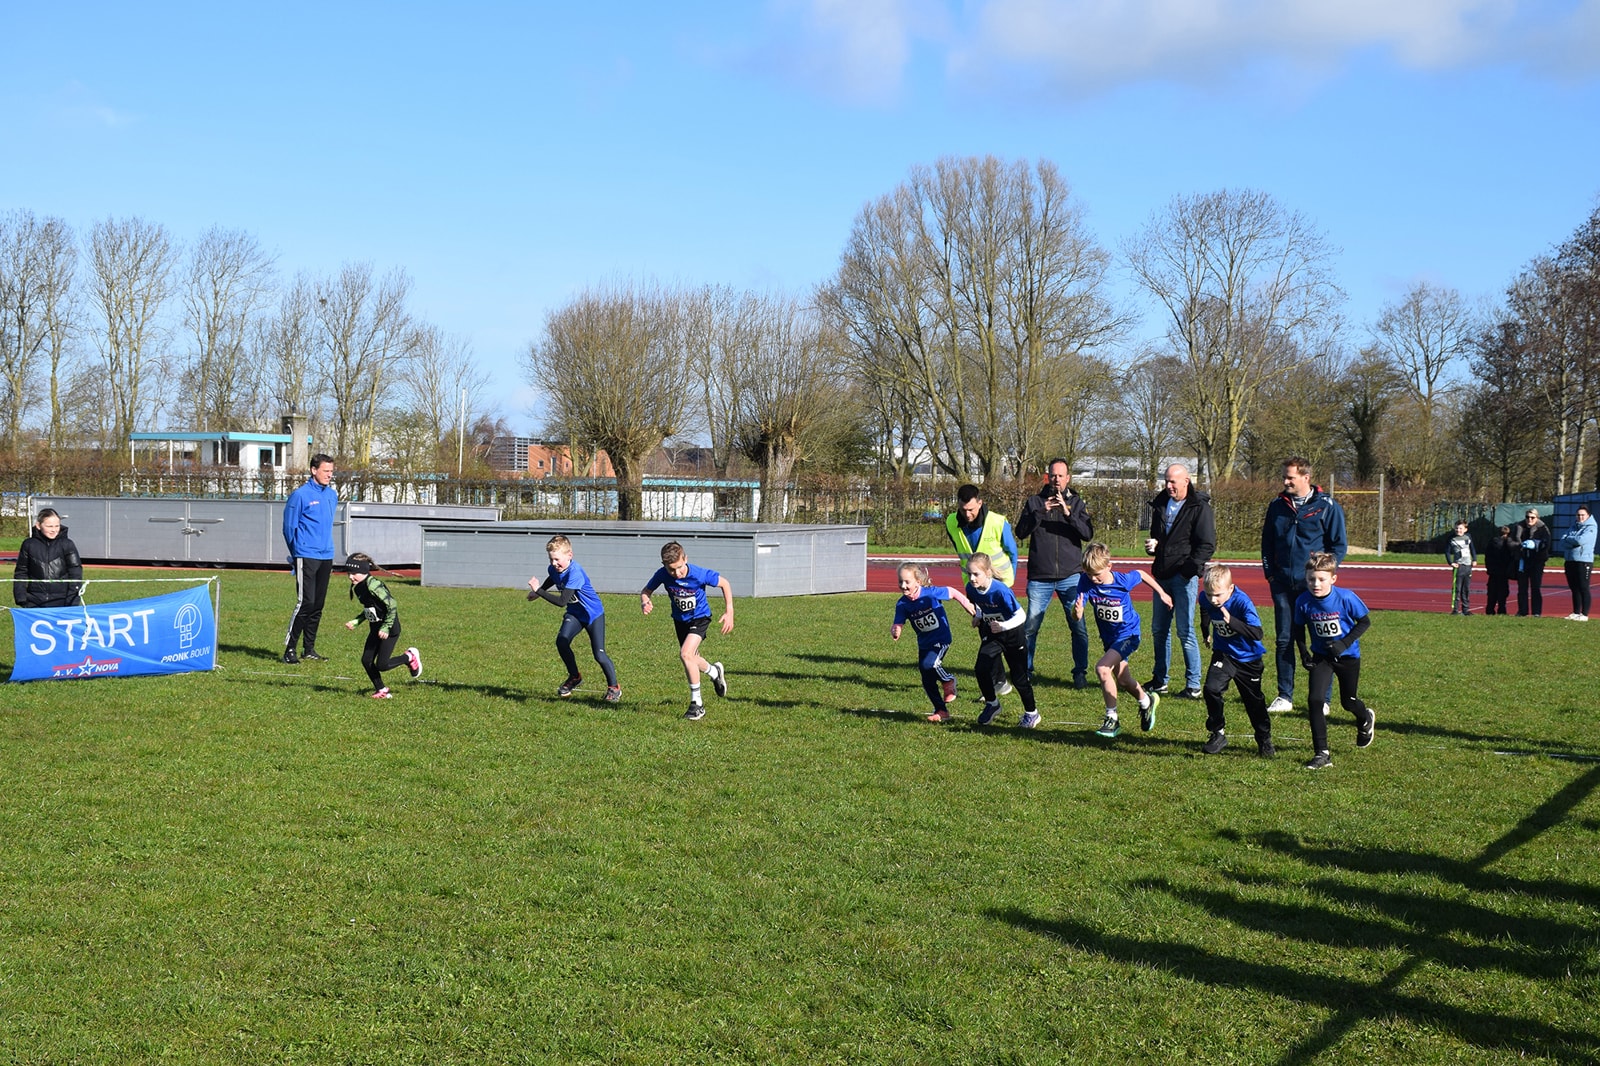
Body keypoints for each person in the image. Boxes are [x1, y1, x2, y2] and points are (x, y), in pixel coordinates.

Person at [1260, 456, 1347, 713]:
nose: (1285, 481)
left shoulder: (1327, 506)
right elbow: (1267, 544)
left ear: (1305, 478)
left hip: (1314, 588)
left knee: (1322, 640)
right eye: (1284, 477)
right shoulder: (1276, 506)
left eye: (1290, 477)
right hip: (1282, 585)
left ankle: (1323, 700)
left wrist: (1323, 575)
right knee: (1284, 640)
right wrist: (1271, 575)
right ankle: (1284, 696)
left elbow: (1338, 546)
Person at [1073, 542, 1172, 740]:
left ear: (1109, 566)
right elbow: (1076, 614)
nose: (1093, 579)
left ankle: (1112, 718)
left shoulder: (1122, 581)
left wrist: (1162, 593)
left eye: (1097, 574)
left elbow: (1141, 574)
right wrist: (1077, 612)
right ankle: (1147, 702)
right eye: (1089, 574)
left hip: (1129, 634)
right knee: (1124, 680)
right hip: (1109, 638)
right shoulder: (1085, 581)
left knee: (1102, 669)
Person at [1015, 458, 1094, 687]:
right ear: (1047, 477)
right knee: (1030, 627)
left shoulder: (1077, 503)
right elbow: (1021, 532)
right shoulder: (1034, 502)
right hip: (1040, 576)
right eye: (1053, 475)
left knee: (1078, 627)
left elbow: (1087, 534)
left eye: (1061, 476)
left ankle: (1080, 673)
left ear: (1068, 478)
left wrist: (1068, 513)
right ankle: (1025, 671)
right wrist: (1041, 512)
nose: (1056, 479)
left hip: (1071, 576)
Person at [1293, 552, 1376, 771]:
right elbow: (1298, 628)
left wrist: (1343, 644)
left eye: (1321, 579)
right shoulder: (1303, 601)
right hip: (1322, 657)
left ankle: (1365, 717)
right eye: (1311, 579)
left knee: (1348, 702)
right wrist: (1304, 653)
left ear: (1333, 579)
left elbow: (1364, 622)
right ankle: (1322, 753)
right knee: (1315, 700)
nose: (1316, 584)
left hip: (1348, 657)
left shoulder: (1346, 598)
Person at [1144, 463, 1215, 699]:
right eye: (1166, 481)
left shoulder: (1199, 507)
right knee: (1159, 630)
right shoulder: (1161, 503)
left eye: (1173, 481)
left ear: (1186, 481)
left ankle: (1193, 685)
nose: (1168, 486)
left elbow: (1207, 545)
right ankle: (1160, 680)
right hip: (1162, 575)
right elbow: (1158, 537)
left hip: (1183, 578)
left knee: (1185, 631)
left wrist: (1188, 570)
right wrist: (1153, 546)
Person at [640, 540, 734, 720]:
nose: (677, 573)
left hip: (700, 618)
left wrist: (729, 611)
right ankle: (715, 672)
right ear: (664, 565)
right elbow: (646, 590)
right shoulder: (662, 574)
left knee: (685, 654)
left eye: (680, 568)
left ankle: (697, 705)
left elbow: (725, 583)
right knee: (692, 657)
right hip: (680, 621)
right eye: (671, 570)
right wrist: (645, 601)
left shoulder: (699, 574)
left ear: (686, 559)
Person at [947, 482, 1020, 696]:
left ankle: (1018, 674)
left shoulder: (997, 521)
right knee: (986, 632)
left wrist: (1007, 584)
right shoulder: (951, 522)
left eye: (971, 509)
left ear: (980, 503)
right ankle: (999, 681)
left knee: (1009, 632)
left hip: (1000, 586)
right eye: (963, 509)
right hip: (974, 588)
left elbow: (1012, 552)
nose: (967, 514)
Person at [529, 534, 621, 702]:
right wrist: (540, 590)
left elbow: (561, 601)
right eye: (551, 559)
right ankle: (574, 677)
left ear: (569, 555)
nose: (554, 563)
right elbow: (553, 577)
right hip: (575, 614)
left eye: (557, 559)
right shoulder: (554, 569)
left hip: (593, 615)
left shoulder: (575, 572)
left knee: (599, 654)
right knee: (562, 641)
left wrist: (539, 591)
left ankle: (614, 688)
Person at [1197, 565, 1274, 757]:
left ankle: (1264, 738)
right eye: (1209, 594)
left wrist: (1232, 621)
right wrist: (1205, 630)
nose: (1213, 600)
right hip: (1224, 654)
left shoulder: (1242, 602)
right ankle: (1218, 732)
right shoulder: (1205, 597)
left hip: (1249, 659)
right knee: (1211, 689)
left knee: (1253, 702)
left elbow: (1257, 633)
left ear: (1230, 589)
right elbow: (1205, 608)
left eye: (1218, 595)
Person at [891, 561, 976, 723]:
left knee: (931, 664)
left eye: (907, 582)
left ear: (918, 581)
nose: (903, 585)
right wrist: (896, 629)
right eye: (900, 582)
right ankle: (941, 710)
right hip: (924, 643)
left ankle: (948, 680)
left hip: (941, 638)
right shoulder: (902, 603)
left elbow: (952, 591)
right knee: (926, 677)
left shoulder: (930, 593)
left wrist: (966, 604)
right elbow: (898, 622)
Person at [964, 552, 1039, 729]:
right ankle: (992, 704)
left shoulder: (1001, 591)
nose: (972, 578)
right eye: (969, 574)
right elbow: (980, 603)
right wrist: (979, 616)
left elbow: (1021, 615)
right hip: (993, 634)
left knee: (1019, 678)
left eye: (976, 574)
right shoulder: (971, 588)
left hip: (1013, 635)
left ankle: (1032, 713)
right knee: (981, 668)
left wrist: (1003, 626)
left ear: (988, 572)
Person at [341, 552, 421, 699]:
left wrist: (386, 627)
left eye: (354, 573)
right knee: (366, 660)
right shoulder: (358, 587)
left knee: (382, 665)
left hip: (389, 629)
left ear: (364, 571)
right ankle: (381, 690)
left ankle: (409, 657)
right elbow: (370, 608)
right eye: (348, 573)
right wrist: (357, 621)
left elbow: (392, 604)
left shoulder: (374, 585)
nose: (350, 577)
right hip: (375, 628)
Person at [282, 453, 338, 664]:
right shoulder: (300, 495)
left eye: (331, 471)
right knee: (306, 603)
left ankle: (309, 649)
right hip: (306, 555)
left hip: (326, 555)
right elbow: (288, 528)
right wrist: (297, 552)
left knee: (318, 605)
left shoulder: (332, 495)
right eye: (325, 471)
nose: (329, 475)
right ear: (314, 470)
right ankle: (290, 649)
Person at [13, 507, 83, 608]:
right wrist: (21, 598)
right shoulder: (28, 544)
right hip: (34, 602)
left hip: (62, 602)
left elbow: (75, 573)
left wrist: (72, 600)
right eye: (49, 526)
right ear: (38, 525)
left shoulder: (67, 544)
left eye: (57, 526)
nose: (54, 530)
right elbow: (21, 572)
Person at [1512, 508, 1552, 617]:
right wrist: (1520, 546)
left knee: (1536, 587)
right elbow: (1512, 542)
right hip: (1522, 560)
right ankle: (1522, 611)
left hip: (1537, 561)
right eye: (1527, 517)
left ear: (1537, 518)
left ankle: (1536, 612)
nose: (1529, 519)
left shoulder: (1543, 528)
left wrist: (1535, 544)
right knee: (1522, 587)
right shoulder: (1519, 527)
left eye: (1532, 517)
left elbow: (1547, 543)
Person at [1559, 505, 1596, 621]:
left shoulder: (1591, 527)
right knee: (1574, 588)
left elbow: (1580, 540)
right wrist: (1572, 540)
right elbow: (1562, 541)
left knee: (1583, 587)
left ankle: (1584, 614)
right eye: (1578, 515)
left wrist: (1569, 539)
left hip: (1583, 561)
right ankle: (1576, 612)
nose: (1580, 517)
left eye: (1582, 515)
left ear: (1588, 516)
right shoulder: (1573, 526)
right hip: (1570, 560)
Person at [1484, 525, 1516, 615]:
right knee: (1503, 591)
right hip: (1503, 571)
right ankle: (1502, 609)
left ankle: (1490, 609)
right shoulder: (1507, 543)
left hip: (1493, 570)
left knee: (1492, 591)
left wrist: (1489, 568)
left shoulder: (1492, 542)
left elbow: (1487, 555)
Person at [1444, 521, 1475, 615]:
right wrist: (1451, 563)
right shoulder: (1452, 538)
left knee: (1466, 589)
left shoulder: (1468, 537)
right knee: (1457, 589)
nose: (1458, 530)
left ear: (1465, 529)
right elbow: (1447, 551)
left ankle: (1466, 609)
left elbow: (1472, 548)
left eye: (1460, 528)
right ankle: (1455, 609)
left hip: (1468, 565)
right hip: (1459, 566)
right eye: (1457, 528)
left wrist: (1474, 559)